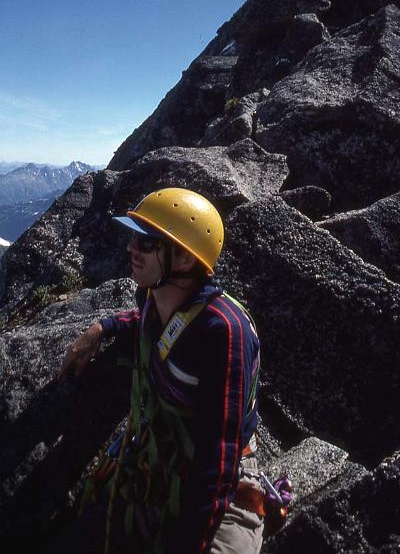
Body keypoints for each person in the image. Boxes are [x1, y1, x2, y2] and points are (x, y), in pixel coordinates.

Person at [57, 187, 263, 554]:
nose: (131, 248)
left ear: (183, 258)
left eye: (146, 241)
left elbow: (220, 455)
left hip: (225, 486)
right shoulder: (158, 299)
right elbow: (146, 322)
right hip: (160, 462)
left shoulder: (224, 332)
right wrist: (101, 328)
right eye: (134, 237)